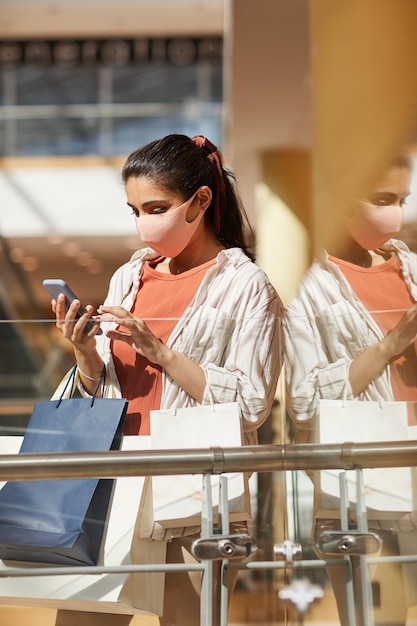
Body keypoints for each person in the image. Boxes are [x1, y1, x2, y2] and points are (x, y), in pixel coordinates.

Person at [50, 133, 284, 626]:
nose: (142, 226)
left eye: (155, 208)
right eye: (133, 211)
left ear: (201, 200)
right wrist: (85, 353)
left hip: (192, 489)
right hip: (114, 484)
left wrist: (160, 352)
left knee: (187, 619)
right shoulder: (128, 278)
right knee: (81, 620)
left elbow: (251, 402)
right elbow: (105, 388)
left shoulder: (247, 287)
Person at [283, 153, 417, 626]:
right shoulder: (304, 284)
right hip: (365, 486)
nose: (397, 213)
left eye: (402, 199)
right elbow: (304, 399)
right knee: (377, 620)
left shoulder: (411, 269)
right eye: (384, 199)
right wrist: (391, 345)